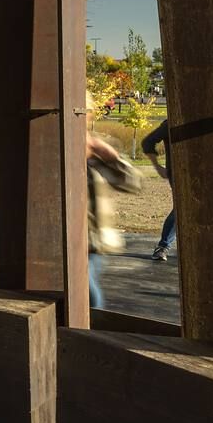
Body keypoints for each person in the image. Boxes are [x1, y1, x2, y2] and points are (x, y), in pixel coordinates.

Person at [85, 133, 142, 310]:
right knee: (87, 295)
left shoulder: (95, 157)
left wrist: (111, 156)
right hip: (61, 242)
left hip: (92, 244)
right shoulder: (49, 149)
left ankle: (91, 333)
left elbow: (132, 184)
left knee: (89, 297)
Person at [140, 117, 176, 260]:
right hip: (180, 173)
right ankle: (163, 246)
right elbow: (147, 142)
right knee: (181, 209)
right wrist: (157, 166)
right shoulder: (172, 122)